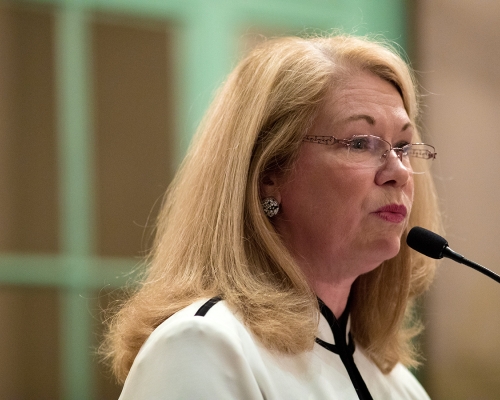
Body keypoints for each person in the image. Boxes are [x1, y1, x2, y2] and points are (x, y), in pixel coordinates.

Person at [102, 34, 441, 399]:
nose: (400, 172)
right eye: (360, 142)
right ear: (269, 175)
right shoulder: (204, 346)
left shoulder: (398, 385)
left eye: (403, 147)